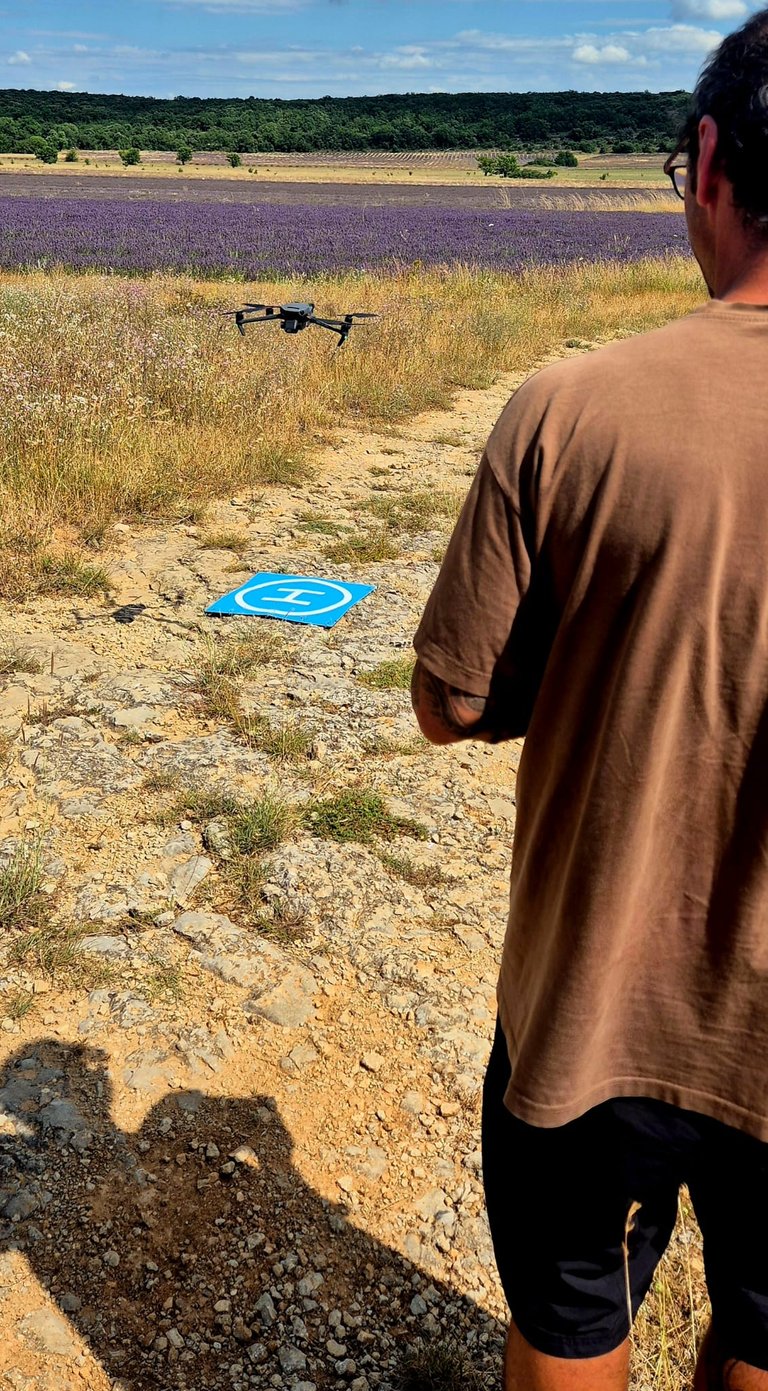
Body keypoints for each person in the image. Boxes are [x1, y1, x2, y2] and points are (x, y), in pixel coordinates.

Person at [411, 10, 768, 1391]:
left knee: (573, 1313)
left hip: (592, 1009)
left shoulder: (568, 410)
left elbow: (447, 700)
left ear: (709, 160)